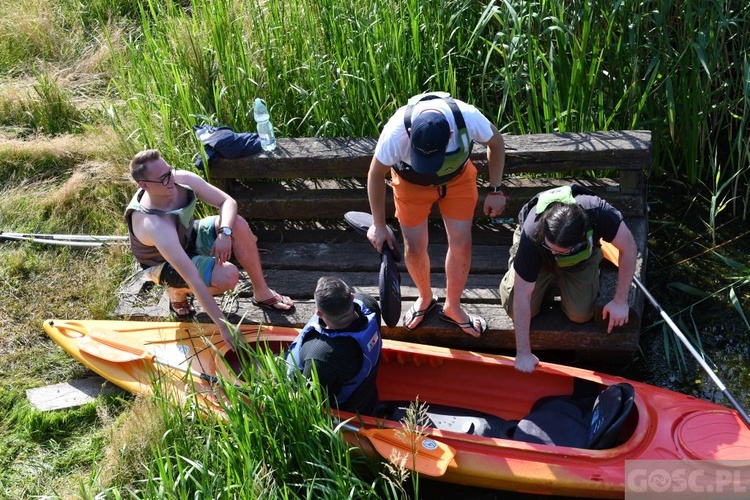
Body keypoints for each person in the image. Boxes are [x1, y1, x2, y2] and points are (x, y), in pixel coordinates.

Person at [367, 91, 506, 337]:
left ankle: (453, 307)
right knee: (415, 246)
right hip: (410, 185)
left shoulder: (467, 117)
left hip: (458, 180)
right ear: (410, 134)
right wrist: (378, 224)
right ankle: (424, 297)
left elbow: (496, 143)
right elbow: (375, 174)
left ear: (451, 135)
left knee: (462, 242)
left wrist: (495, 189)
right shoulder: (396, 132)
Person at [125, 149, 294, 350]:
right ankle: (176, 291)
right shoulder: (154, 223)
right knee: (228, 276)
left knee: (237, 224)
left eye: (170, 172)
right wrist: (224, 327)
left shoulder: (181, 179)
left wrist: (224, 233)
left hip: (187, 237)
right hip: (162, 263)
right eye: (163, 179)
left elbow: (227, 202)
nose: (170, 180)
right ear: (144, 185)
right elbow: (193, 278)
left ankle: (262, 292)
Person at [499, 185, 637, 374]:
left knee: (580, 314)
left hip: (580, 258)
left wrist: (621, 301)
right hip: (537, 256)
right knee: (520, 310)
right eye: (552, 247)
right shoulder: (531, 233)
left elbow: (629, 248)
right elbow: (522, 296)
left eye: (560, 250)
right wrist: (523, 353)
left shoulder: (599, 212)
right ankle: (521, 267)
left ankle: (577, 264)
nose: (554, 252)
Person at [286, 277, 382, 414]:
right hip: (366, 395)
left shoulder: (320, 355)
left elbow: (310, 403)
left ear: (319, 313)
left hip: (346, 412)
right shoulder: (368, 303)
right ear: (352, 297)